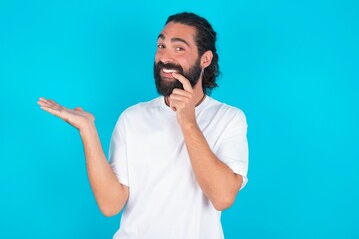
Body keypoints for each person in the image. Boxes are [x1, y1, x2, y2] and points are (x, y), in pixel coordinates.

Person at [38, 12, 248, 239]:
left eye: (179, 49)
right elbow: (110, 204)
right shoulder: (133, 117)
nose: (165, 57)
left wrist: (188, 121)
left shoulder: (228, 118)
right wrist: (87, 130)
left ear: (205, 59)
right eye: (161, 46)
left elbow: (223, 197)